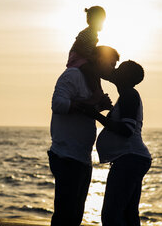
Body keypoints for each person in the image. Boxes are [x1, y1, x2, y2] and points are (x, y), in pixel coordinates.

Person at [48, 46, 119, 226]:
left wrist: (98, 107)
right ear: (98, 59)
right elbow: (58, 104)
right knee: (65, 215)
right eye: (111, 64)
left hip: (82, 159)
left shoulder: (92, 81)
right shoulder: (73, 75)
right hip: (66, 156)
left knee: (75, 216)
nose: (112, 69)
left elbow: (83, 110)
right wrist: (93, 102)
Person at [80, 60, 151, 226]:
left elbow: (127, 129)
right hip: (131, 159)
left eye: (119, 69)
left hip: (129, 159)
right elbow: (106, 73)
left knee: (112, 216)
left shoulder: (129, 95)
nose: (115, 71)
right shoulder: (127, 95)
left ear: (126, 77)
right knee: (128, 214)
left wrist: (96, 116)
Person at [67, 6, 112, 110]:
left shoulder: (93, 34)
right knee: (89, 71)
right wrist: (89, 57)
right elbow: (77, 47)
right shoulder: (87, 33)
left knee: (96, 73)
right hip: (78, 57)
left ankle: (99, 92)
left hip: (84, 57)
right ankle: (95, 94)